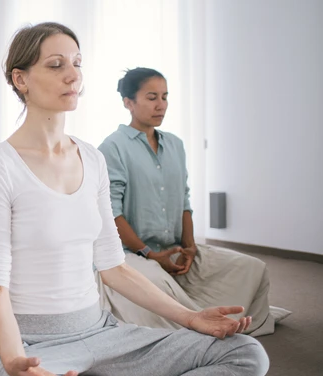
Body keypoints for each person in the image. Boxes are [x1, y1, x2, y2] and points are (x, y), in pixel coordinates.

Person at [0, 23, 268, 376]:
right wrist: (13, 359)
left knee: (246, 354)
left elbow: (114, 267)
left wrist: (191, 318)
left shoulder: (92, 158)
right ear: (21, 79)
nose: (73, 75)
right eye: (57, 64)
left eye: (77, 63)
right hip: (32, 343)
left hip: (102, 333)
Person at [97, 67, 290, 337]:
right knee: (158, 289)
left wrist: (189, 246)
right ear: (128, 102)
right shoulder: (112, 147)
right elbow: (111, 213)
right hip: (133, 253)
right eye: (152, 97)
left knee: (252, 268)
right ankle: (199, 325)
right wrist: (150, 254)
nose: (161, 105)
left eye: (165, 97)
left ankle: (216, 319)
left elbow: (184, 201)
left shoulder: (175, 145)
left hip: (173, 247)